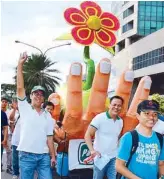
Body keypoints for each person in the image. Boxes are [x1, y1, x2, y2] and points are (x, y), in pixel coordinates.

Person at [16, 52, 56, 179]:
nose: (38, 96)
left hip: (44, 156)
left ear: (43, 98)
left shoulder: (48, 116)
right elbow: (20, 87)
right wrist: (20, 65)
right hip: (27, 156)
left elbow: (50, 138)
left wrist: (53, 156)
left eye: (41, 94)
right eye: (36, 93)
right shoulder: (24, 108)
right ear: (31, 96)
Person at [116, 100, 164, 179]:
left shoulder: (160, 138)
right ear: (138, 116)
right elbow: (119, 166)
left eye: (155, 114)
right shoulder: (129, 137)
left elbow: (161, 164)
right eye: (147, 113)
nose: (151, 117)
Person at [84, 95, 124, 179]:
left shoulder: (120, 121)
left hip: (114, 157)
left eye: (119, 105)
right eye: (114, 105)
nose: (116, 107)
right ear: (109, 105)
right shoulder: (99, 118)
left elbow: (117, 137)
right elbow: (87, 135)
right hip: (100, 157)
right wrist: (92, 151)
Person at [1, 96, 13, 174]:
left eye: (5, 102)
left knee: (9, 151)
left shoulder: (8, 112)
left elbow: (11, 121)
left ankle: (9, 167)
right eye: (3, 101)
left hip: (8, 134)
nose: (4, 103)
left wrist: (10, 123)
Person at [10, 99, 20, 179]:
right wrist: (14, 108)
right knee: (15, 159)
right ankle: (15, 173)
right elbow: (11, 118)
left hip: (25, 141)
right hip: (16, 140)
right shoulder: (16, 114)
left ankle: (23, 172)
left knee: (24, 159)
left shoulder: (27, 113)